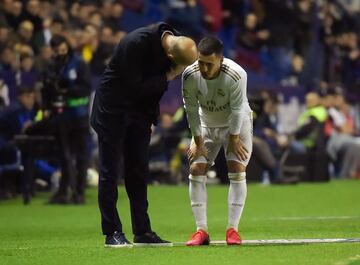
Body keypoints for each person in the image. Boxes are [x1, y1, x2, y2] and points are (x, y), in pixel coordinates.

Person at [90, 22, 197, 247]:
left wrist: (148, 119)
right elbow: (135, 88)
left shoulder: (177, 41)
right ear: (169, 53)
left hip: (139, 112)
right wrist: (169, 75)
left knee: (139, 171)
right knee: (110, 172)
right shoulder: (134, 44)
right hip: (113, 109)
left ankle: (143, 231)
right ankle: (112, 232)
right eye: (177, 66)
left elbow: (150, 92)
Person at [182, 36, 252, 246]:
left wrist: (234, 138)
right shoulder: (189, 74)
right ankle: (201, 231)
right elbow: (191, 109)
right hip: (206, 124)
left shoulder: (237, 74)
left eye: (209, 64)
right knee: (196, 169)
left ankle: (233, 230)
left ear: (220, 60)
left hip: (236, 123)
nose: (204, 68)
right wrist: (197, 140)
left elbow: (238, 109)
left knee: (237, 168)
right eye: (201, 62)